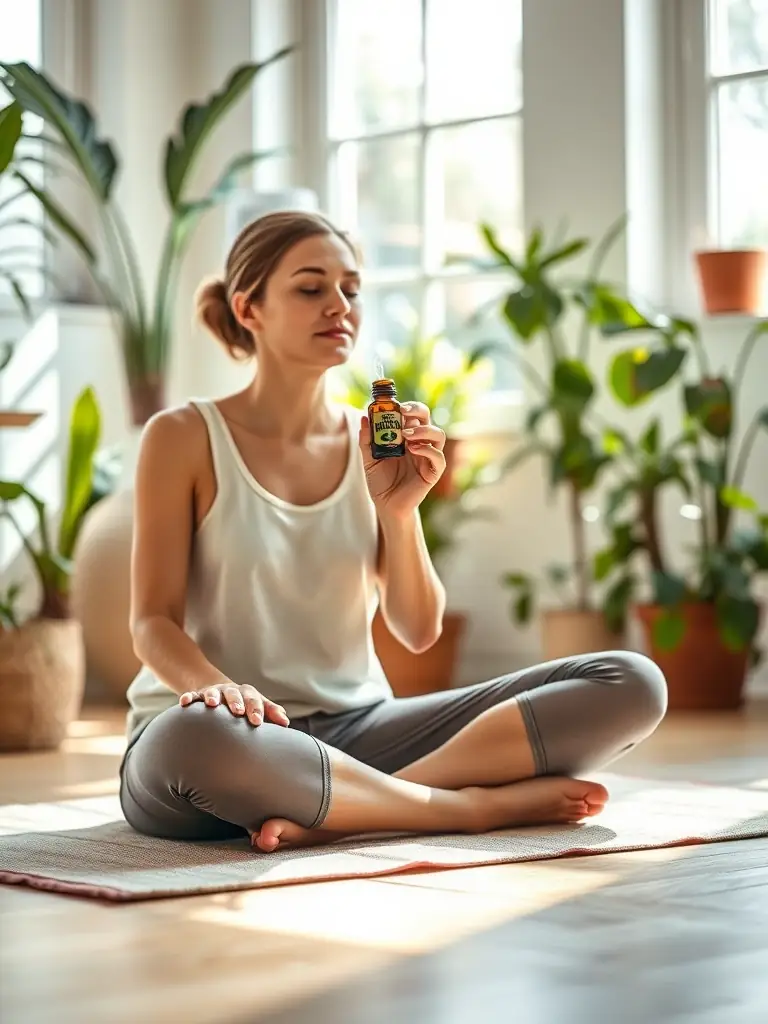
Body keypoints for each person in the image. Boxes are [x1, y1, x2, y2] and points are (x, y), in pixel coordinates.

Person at [119, 210, 667, 854]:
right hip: (230, 736)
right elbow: (151, 622)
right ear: (249, 308)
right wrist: (216, 691)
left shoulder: (371, 444)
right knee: (193, 741)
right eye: (311, 287)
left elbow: (417, 628)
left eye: (351, 289)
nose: (339, 305)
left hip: (360, 731)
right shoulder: (182, 436)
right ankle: (460, 809)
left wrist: (400, 512)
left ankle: (364, 806)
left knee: (631, 682)